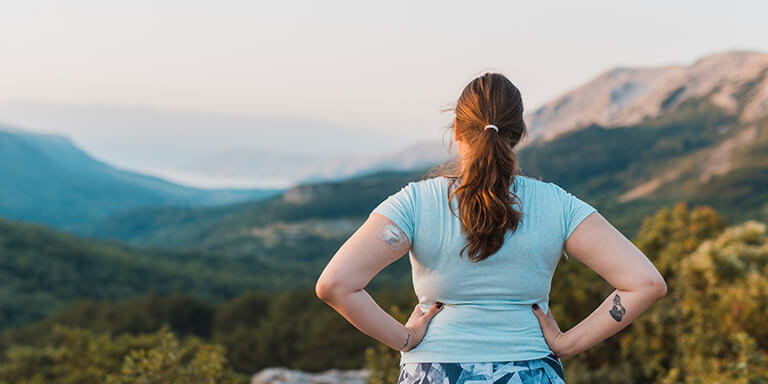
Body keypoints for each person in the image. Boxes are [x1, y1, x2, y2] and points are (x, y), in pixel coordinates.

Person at [315, 72, 667, 383]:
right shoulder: (557, 205)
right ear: (519, 133)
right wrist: (567, 343)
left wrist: (404, 338)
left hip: (435, 371)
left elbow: (336, 284)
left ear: (455, 130)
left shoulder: (415, 203)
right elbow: (645, 283)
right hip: (529, 370)